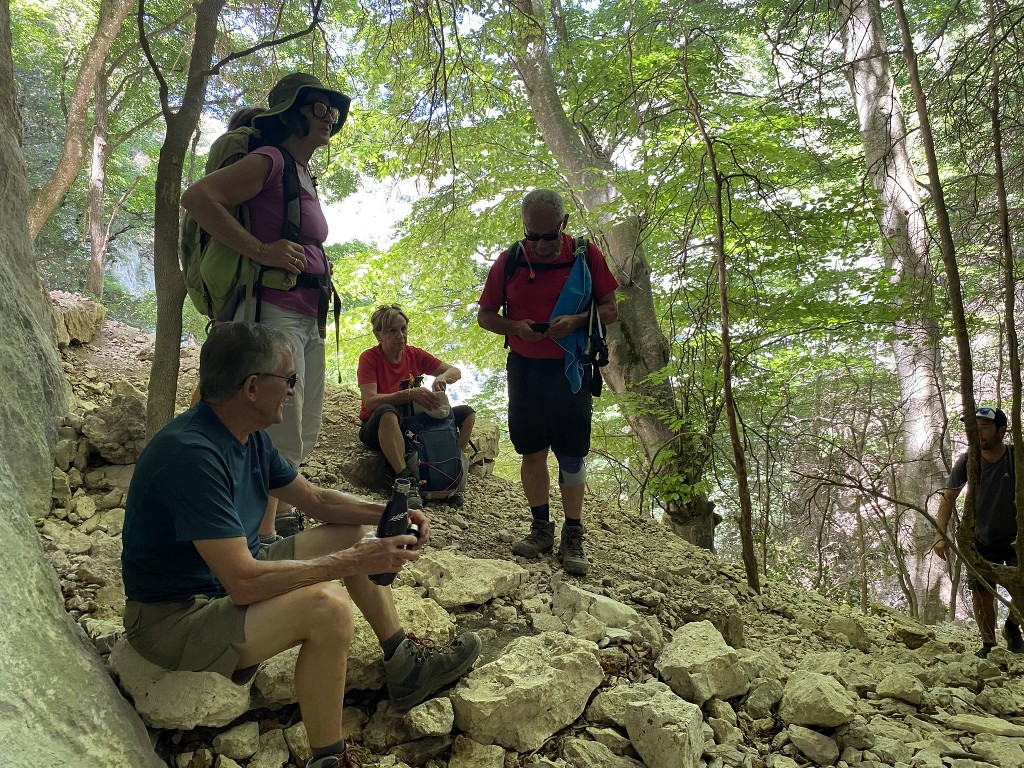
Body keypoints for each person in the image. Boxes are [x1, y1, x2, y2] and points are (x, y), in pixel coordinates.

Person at [121, 322, 481, 768]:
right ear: (252, 387)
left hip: (222, 578)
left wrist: (390, 511)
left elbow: (314, 499)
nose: (294, 390)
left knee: (351, 533)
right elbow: (245, 584)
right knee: (327, 610)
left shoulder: (245, 434)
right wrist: (351, 561)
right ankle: (328, 758)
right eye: (289, 380)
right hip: (175, 619)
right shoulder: (193, 454)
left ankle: (405, 664)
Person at [181, 73, 347, 541]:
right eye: (318, 107)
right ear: (290, 112)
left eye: (333, 110)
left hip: (305, 314)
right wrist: (261, 249)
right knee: (279, 425)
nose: (329, 117)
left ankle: (262, 526)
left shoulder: (301, 172)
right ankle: (261, 533)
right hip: (272, 311)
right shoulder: (270, 160)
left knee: (301, 427)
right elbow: (198, 198)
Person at [477, 189, 618, 576]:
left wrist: (574, 322)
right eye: (532, 236)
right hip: (525, 368)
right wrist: (516, 327)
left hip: (571, 368)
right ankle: (541, 527)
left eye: (548, 237)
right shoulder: (509, 262)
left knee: (572, 453)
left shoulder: (584, 256)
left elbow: (611, 309)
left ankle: (574, 534)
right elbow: (486, 316)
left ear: (564, 225)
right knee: (532, 450)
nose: (539, 246)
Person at [358, 304, 476, 509]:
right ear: (378, 335)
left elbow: (454, 370)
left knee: (467, 414)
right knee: (387, 412)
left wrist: (442, 378)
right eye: (392, 330)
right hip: (377, 426)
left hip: (411, 424)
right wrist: (407, 394)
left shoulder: (414, 354)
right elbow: (369, 401)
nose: (400, 335)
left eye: (403, 329)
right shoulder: (369, 358)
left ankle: (453, 470)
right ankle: (405, 479)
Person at [934, 405, 1021, 657]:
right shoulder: (968, 460)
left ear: (1001, 431)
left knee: (1022, 587)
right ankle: (988, 645)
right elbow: (948, 498)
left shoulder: (1016, 457)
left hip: (1018, 537)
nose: (977, 433)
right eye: (973, 428)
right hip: (980, 537)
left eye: (984, 428)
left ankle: (1013, 626)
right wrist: (941, 535)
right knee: (981, 592)